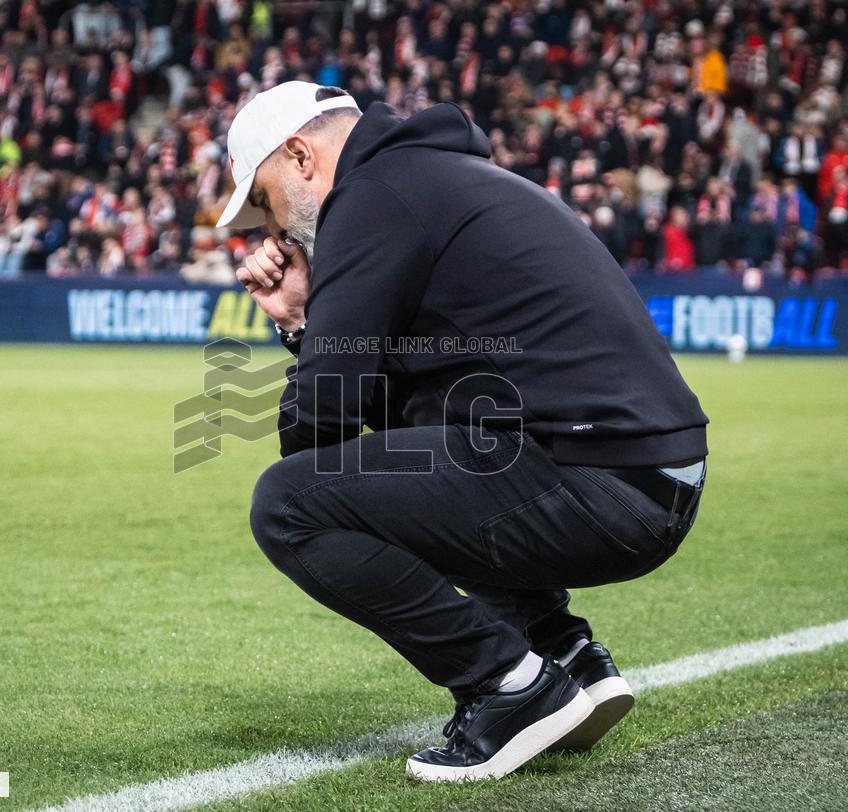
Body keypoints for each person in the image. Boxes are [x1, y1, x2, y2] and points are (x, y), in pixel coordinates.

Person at [220, 82, 708, 783]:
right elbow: (398, 424)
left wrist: (303, 321)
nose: (271, 232)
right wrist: (306, 322)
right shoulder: (431, 176)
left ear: (299, 156)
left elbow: (320, 433)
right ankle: (564, 654)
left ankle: (509, 686)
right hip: (646, 472)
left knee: (288, 504)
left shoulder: (373, 194)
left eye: (264, 202)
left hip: (602, 480)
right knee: (425, 454)